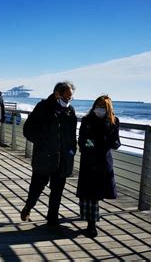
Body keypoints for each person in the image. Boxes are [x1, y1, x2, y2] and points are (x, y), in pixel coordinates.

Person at [20, 81, 77, 227]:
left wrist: (72, 151)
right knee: (37, 187)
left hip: (63, 158)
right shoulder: (43, 107)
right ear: (57, 94)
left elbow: (72, 134)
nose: (68, 100)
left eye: (71, 98)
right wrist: (43, 142)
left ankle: (52, 219)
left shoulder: (70, 111)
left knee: (57, 190)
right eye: (66, 97)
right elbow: (28, 130)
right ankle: (29, 206)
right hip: (44, 157)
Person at [76, 95, 121, 237]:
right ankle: (91, 223)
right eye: (97, 105)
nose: (99, 108)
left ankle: (91, 222)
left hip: (103, 161)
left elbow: (117, 142)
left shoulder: (114, 121)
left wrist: (109, 143)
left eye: (102, 106)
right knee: (89, 193)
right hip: (88, 160)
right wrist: (86, 145)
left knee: (96, 193)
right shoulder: (87, 119)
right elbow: (81, 139)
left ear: (108, 108)